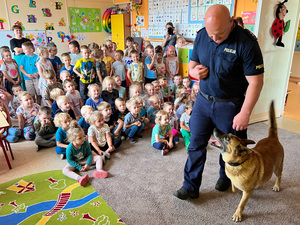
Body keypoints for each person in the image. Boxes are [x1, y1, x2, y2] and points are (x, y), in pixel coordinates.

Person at [173, 4, 264, 200]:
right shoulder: (201, 35)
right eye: (210, 34)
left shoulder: (247, 43)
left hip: (230, 105)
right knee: (195, 143)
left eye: (219, 35)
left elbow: (256, 82)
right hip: (203, 102)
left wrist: (245, 112)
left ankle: (225, 176)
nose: (214, 39)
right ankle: (190, 186)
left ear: (231, 21)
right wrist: (193, 72)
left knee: (230, 146)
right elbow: (191, 66)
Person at [62, 120, 108, 187]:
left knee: (98, 157)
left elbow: (90, 154)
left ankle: (99, 170)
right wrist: (79, 167)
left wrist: (88, 164)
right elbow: (70, 160)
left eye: (83, 136)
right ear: (72, 140)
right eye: (79, 138)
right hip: (76, 162)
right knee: (65, 170)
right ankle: (80, 178)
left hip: (85, 159)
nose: (83, 138)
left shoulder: (85, 143)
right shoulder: (69, 148)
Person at [9, 25, 31, 90]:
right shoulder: (13, 41)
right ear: (13, 32)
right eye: (17, 30)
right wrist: (25, 49)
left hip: (27, 58)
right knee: (20, 75)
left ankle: (30, 92)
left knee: (28, 74)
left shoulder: (27, 40)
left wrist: (19, 50)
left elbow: (30, 49)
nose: (19, 32)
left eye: (20, 30)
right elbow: (16, 50)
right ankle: (22, 91)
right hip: (18, 59)